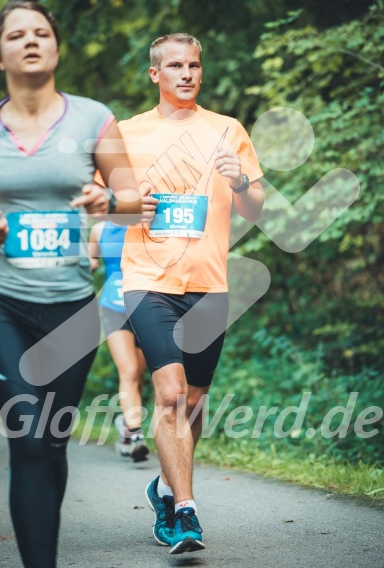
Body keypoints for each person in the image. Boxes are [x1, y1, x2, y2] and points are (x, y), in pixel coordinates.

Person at [0, 0, 141, 568]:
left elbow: (135, 203)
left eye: (41, 33)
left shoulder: (91, 118)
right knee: (27, 438)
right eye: (16, 34)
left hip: (71, 311)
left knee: (49, 441)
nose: (30, 41)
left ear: (56, 47)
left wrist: (110, 200)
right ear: (0, 51)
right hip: (3, 303)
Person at [118, 33, 265, 554]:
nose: (187, 73)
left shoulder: (228, 130)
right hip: (147, 280)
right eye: (175, 65)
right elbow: (101, 204)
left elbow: (255, 210)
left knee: (193, 405)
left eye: (194, 65)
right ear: (155, 74)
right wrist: (128, 209)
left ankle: (163, 487)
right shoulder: (126, 132)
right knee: (172, 395)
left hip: (208, 284)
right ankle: (184, 513)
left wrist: (243, 180)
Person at [89, 220, 149, 462]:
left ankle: (126, 423)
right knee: (130, 370)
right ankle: (136, 435)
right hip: (113, 307)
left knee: (140, 374)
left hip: (146, 305)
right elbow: (90, 261)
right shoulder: (99, 229)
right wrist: (87, 264)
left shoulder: (148, 223)